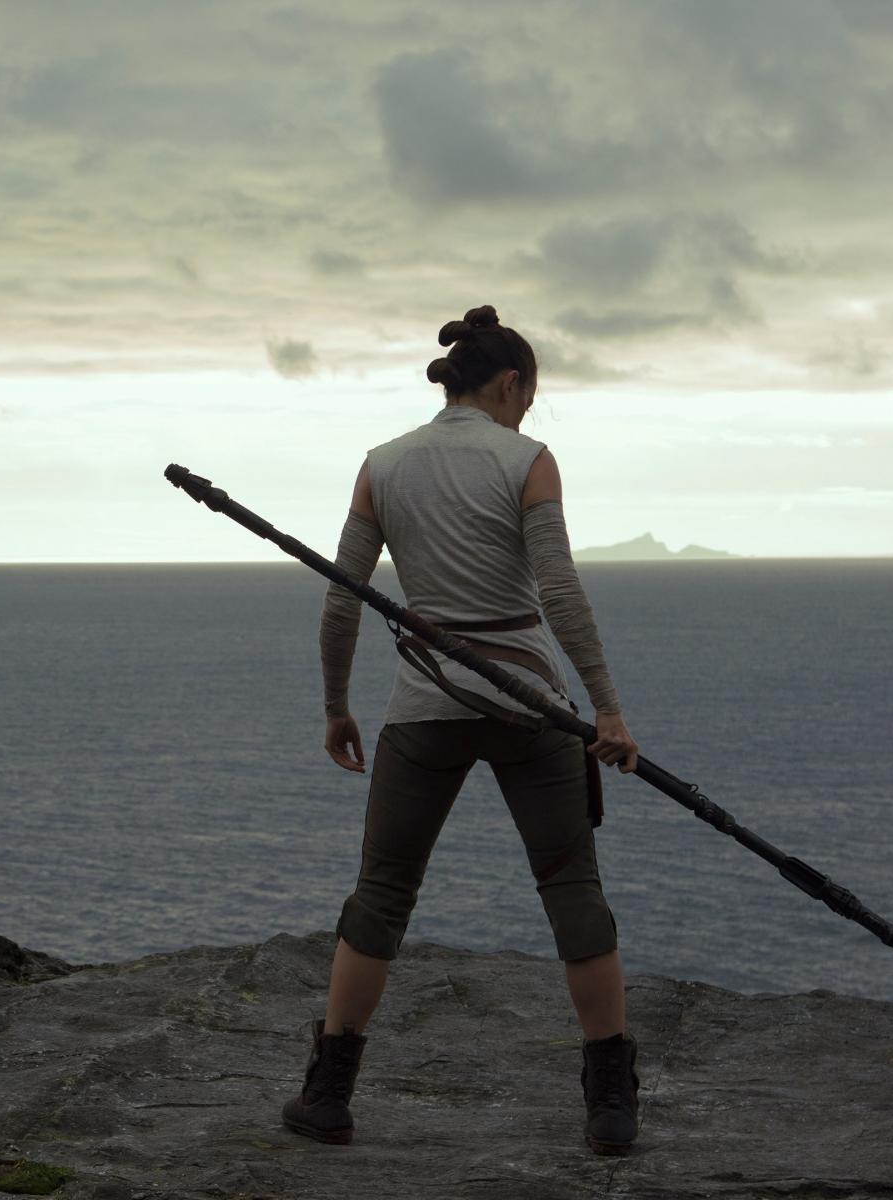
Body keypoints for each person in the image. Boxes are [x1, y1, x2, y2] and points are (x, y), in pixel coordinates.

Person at [280, 305, 643, 1156]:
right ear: (511, 383)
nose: (526, 413)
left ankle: (329, 1095)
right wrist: (607, 708)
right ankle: (610, 1105)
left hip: (425, 706)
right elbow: (558, 591)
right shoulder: (527, 460)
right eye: (529, 397)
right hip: (532, 708)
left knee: (382, 895)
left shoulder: (382, 465)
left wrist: (336, 705)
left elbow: (343, 600)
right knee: (572, 893)